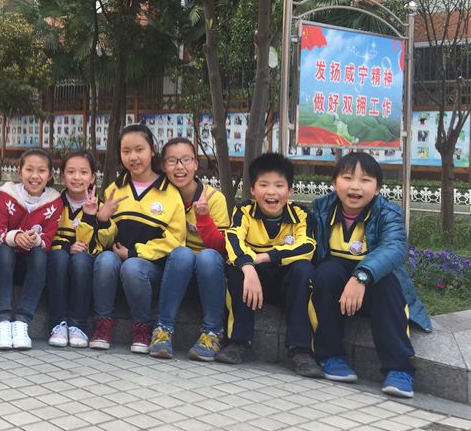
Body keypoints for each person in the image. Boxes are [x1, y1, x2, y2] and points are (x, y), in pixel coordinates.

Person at [310, 152, 422, 398]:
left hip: (374, 292)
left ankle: (398, 369)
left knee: (387, 283)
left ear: (378, 188)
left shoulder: (387, 213)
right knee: (326, 272)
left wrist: (361, 277)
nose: (355, 186)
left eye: (365, 180)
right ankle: (330, 356)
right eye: (347, 178)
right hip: (337, 294)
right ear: (334, 182)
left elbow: (394, 248)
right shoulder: (321, 209)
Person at [219, 152, 323, 378]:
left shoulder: (301, 214)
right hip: (252, 284)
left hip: (286, 285)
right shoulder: (243, 211)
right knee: (235, 270)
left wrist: (263, 257)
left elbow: (307, 247)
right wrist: (248, 267)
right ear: (252, 190)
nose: (271, 192)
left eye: (279, 185)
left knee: (304, 270)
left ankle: (301, 350)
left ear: (290, 190)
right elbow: (233, 240)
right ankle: (238, 341)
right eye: (264, 184)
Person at [91, 125, 186, 353]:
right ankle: (102, 325)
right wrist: (103, 220)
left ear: (152, 150)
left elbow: (175, 240)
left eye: (139, 149)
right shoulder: (115, 189)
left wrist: (134, 253)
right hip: (117, 263)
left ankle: (142, 328)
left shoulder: (170, 192)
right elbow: (106, 242)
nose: (133, 157)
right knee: (104, 260)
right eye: (126, 151)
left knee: (133, 266)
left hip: (151, 269)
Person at [150, 138, 229, 361]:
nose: (179, 167)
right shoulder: (160, 197)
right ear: (163, 166)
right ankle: (163, 330)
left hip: (208, 272)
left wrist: (203, 218)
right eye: (172, 161)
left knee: (207, 257)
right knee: (182, 253)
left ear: (195, 163)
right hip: (174, 270)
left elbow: (221, 248)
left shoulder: (214, 198)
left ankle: (212, 332)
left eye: (186, 160)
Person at [0, 148, 63, 350]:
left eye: (41, 170)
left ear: (50, 175)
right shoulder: (6, 195)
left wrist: (33, 239)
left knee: (40, 254)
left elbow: (47, 240)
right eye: (29, 169)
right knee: (4, 251)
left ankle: (22, 320)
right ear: (19, 171)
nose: (35, 176)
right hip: (5, 261)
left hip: (32, 264)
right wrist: (15, 237)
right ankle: (2, 320)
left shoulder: (55, 201)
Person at [46, 151, 105, 348]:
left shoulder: (100, 206)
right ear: (62, 176)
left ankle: (78, 325)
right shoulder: (52, 203)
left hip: (85, 261)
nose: (77, 177)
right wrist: (66, 246)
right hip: (57, 258)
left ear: (93, 177)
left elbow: (100, 244)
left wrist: (91, 216)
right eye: (71, 172)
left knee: (81, 260)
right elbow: (45, 235)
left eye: (83, 172)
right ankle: (58, 323)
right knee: (58, 257)